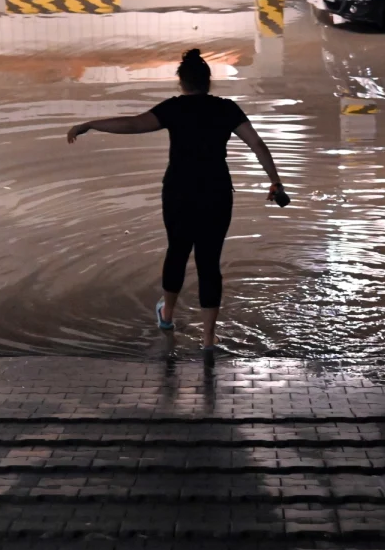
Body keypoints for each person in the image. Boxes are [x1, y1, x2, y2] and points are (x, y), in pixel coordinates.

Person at [67, 48, 287, 351]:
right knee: (209, 262)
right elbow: (257, 144)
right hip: (216, 193)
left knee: (178, 252)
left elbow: (133, 124)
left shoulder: (174, 108)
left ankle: (167, 316)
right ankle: (209, 340)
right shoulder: (227, 109)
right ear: (208, 82)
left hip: (179, 192)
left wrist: (91, 123)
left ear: (181, 82)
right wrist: (274, 181)